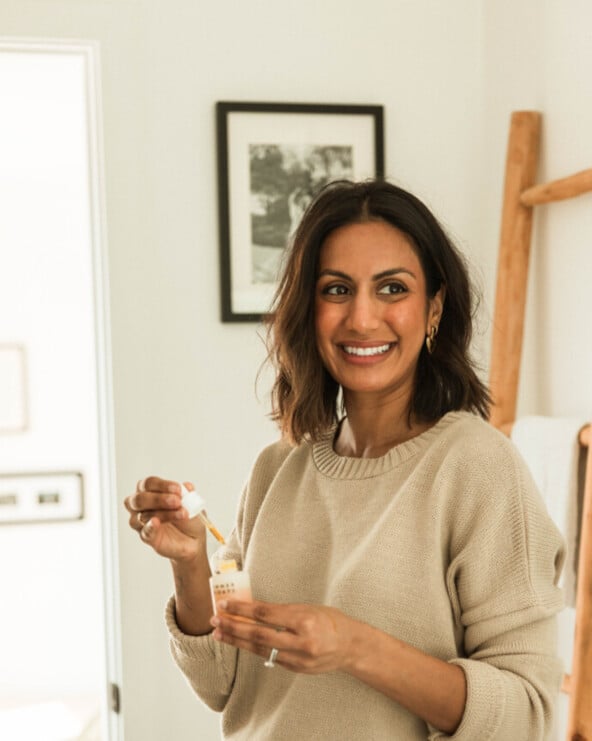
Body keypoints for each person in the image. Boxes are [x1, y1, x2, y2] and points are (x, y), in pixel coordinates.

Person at [125, 179, 565, 740]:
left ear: (434, 307)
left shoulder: (478, 468)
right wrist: (190, 563)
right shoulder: (275, 470)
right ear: (309, 308)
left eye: (392, 289)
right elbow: (223, 685)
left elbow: (527, 719)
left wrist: (356, 648)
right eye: (336, 289)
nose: (361, 318)